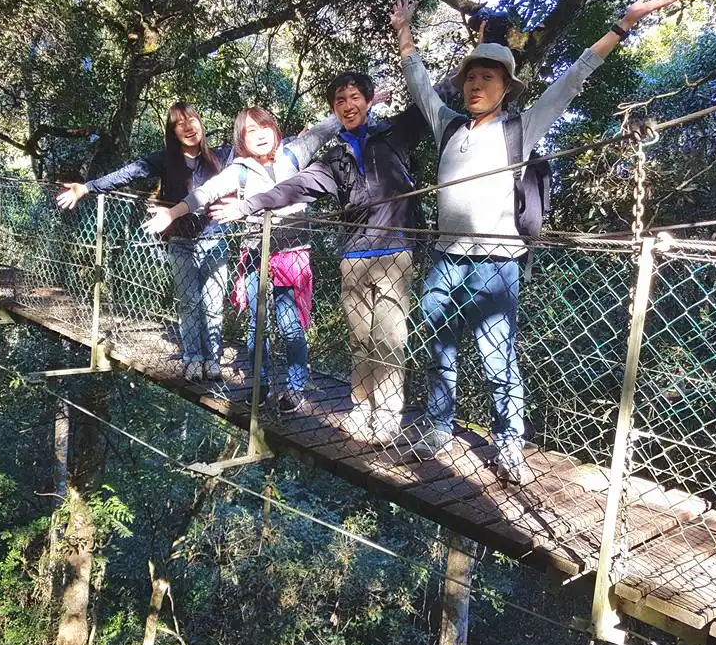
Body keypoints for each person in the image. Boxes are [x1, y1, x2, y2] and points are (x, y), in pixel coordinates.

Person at [390, 0, 681, 482]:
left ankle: (508, 443)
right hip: (445, 257)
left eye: (488, 77)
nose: (476, 84)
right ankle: (439, 427)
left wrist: (624, 24)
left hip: (495, 263)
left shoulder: (520, 128)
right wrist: (403, 28)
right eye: (471, 77)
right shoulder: (449, 126)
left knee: (496, 356)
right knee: (440, 348)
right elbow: (418, 80)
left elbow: (573, 80)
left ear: (506, 86)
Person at [211, 74, 435, 448]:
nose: (348, 105)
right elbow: (293, 188)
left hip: (395, 251)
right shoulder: (333, 158)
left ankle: (388, 413)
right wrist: (248, 205)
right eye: (340, 100)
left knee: (389, 339)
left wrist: (416, 43)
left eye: (354, 97)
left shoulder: (396, 132)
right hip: (353, 254)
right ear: (335, 109)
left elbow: (433, 97)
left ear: (367, 101)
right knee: (361, 340)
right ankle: (362, 407)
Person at [142, 107, 341, 414]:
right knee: (255, 326)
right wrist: (172, 212)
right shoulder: (240, 170)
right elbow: (206, 193)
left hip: (291, 253)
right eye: (250, 131)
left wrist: (365, 102)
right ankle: (259, 386)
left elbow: (324, 130)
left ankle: (295, 387)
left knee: (291, 327)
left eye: (264, 127)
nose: (259, 135)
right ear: (241, 139)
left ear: (274, 129)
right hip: (254, 254)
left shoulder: (293, 154)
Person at [56, 102, 232, 382]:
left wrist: (299, 138)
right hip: (181, 241)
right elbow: (127, 173)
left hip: (215, 240)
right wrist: (86, 187)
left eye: (192, 120)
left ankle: (212, 359)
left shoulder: (221, 156)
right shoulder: (165, 160)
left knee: (213, 303)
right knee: (188, 302)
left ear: (201, 122)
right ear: (172, 131)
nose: (188, 127)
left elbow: (258, 153)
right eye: (179, 123)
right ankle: (193, 358)